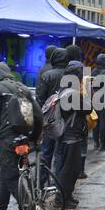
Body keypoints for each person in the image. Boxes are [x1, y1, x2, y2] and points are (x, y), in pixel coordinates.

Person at [0, 62, 42, 210]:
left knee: (9, 176)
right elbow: (38, 115)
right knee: (7, 174)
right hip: (23, 138)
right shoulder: (22, 88)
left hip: (6, 139)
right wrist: (34, 138)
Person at [57, 61, 91, 208]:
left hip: (71, 134)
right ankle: (61, 198)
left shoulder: (65, 89)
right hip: (71, 135)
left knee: (74, 168)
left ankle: (68, 196)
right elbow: (88, 108)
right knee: (68, 169)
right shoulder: (72, 93)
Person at [35, 48, 68, 179]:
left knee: (46, 151)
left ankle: (41, 180)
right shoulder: (71, 76)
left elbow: (40, 99)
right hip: (66, 119)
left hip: (49, 119)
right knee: (60, 153)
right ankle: (58, 182)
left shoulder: (47, 75)